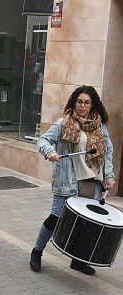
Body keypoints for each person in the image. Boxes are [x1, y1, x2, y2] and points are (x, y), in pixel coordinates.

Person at [29, 85, 116, 276]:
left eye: (86, 102)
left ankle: (78, 260)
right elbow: (43, 140)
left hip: (94, 182)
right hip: (69, 181)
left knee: (87, 223)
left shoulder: (100, 126)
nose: (83, 106)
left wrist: (109, 176)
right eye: (79, 102)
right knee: (56, 217)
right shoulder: (63, 123)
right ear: (74, 102)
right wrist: (50, 152)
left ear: (93, 104)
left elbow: (107, 152)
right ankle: (37, 251)